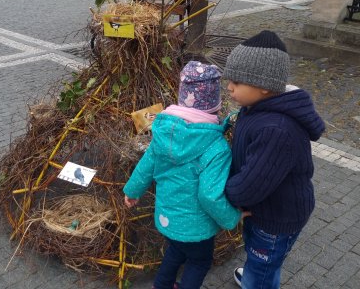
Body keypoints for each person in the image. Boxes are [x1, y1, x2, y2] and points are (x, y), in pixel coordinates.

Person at [123, 62, 247, 289]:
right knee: (199, 261)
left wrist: (132, 191)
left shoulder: (163, 134)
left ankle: (161, 286)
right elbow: (209, 195)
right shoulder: (215, 146)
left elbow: (146, 166)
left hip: (166, 219)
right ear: (215, 107)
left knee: (175, 251)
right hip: (196, 227)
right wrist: (232, 218)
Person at [222, 31, 325, 289]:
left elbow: (251, 184)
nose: (229, 87)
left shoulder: (276, 130)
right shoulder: (255, 107)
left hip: (277, 218)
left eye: (237, 81)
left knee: (264, 265)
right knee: (260, 257)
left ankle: (258, 280)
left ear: (264, 85)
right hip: (262, 209)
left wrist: (225, 195)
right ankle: (257, 273)